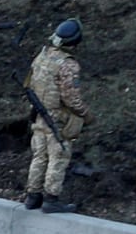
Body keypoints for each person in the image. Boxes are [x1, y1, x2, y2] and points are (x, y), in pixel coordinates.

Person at [23, 19, 90, 211]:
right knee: (58, 155)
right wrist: (85, 114)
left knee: (39, 155)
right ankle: (51, 199)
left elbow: (31, 83)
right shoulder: (68, 65)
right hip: (58, 117)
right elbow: (71, 98)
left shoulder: (42, 55)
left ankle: (32, 196)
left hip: (39, 113)